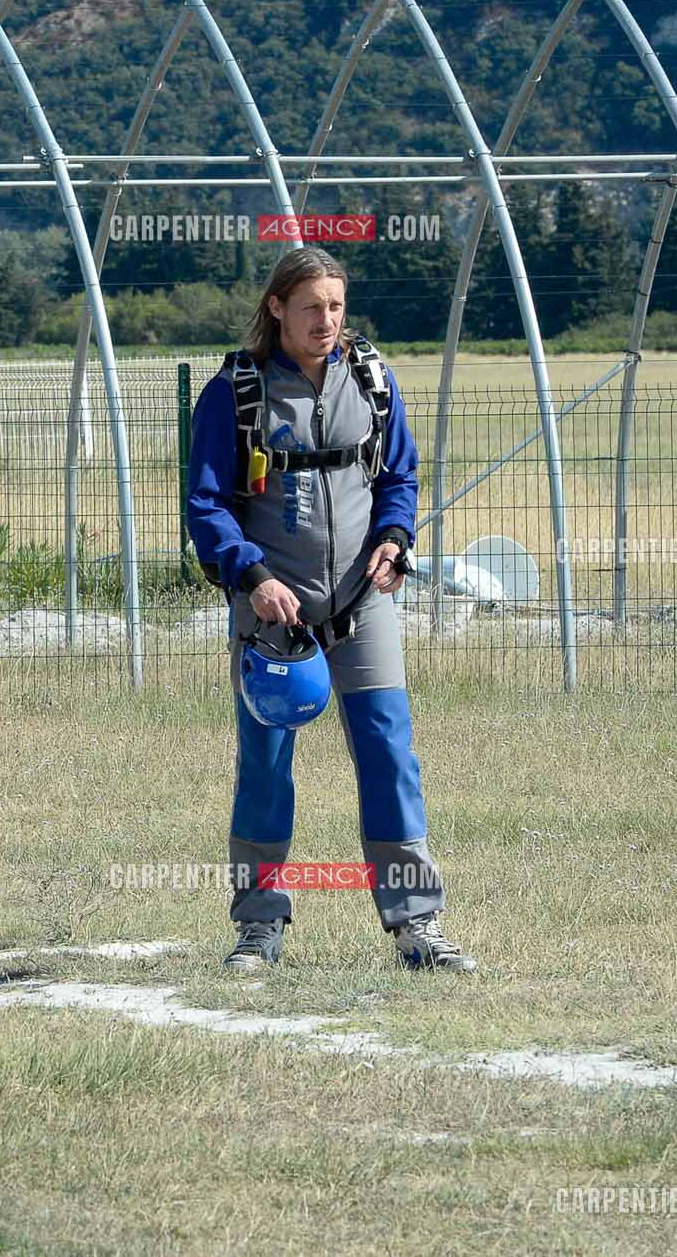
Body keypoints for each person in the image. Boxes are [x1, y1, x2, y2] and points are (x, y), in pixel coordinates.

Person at [184, 246, 477, 974]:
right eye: (312, 306)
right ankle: (258, 927)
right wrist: (250, 577)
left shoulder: (372, 380)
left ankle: (417, 926)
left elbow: (398, 476)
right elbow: (206, 503)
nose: (327, 320)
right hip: (272, 612)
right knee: (265, 764)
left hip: (360, 602)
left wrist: (395, 538)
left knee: (388, 756)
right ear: (276, 308)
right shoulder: (234, 393)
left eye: (337, 306)